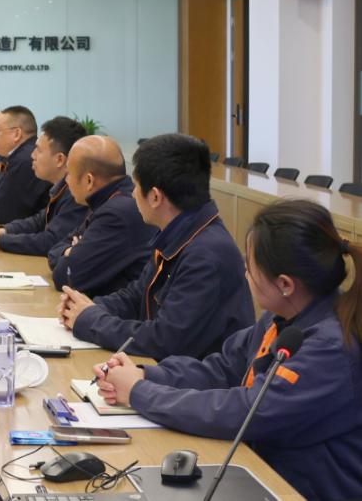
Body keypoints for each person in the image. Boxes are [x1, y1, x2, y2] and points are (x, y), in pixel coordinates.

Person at [95, 199, 362, 500]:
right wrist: (146, 375)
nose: (245, 274)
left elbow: (246, 412)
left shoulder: (331, 348)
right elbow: (221, 369)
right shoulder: (283, 317)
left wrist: (139, 393)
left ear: (285, 284)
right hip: (265, 474)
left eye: (250, 267)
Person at [58, 134, 254, 359]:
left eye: (136, 186)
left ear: (155, 197)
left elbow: (164, 339)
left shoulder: (206, 255)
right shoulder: (178, 231)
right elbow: (137, 295)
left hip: (195, 376)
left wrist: (92, 320)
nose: (132, 194)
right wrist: (87, 307)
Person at [48, 135, 155, 297]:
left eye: (68, 174)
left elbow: (65, 276)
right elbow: (55, 250)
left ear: (89, 180)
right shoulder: (106, 199)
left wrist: (73, 252)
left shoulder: (117, 213)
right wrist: (71, 251)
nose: (66, 181)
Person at [0, 116, 87, 256]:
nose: (32, 155)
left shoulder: (77, 193)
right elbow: (40, 221)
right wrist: (3, 230)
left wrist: (0, 241)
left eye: (38, 150)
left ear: (59, 159)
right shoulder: (62, 187)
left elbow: (52, 241)